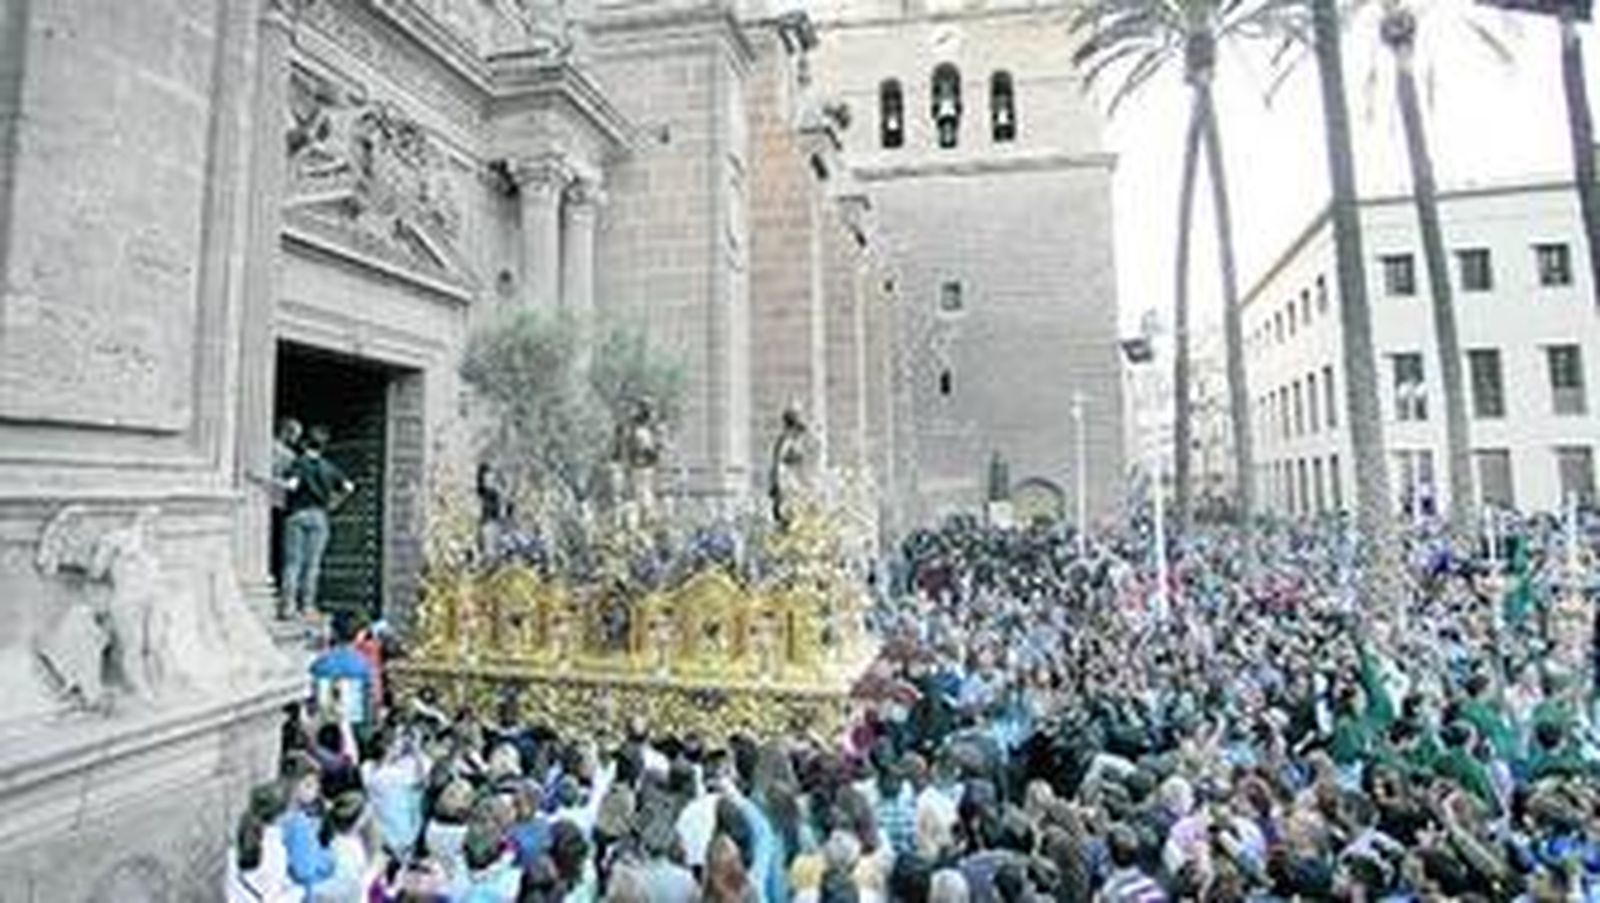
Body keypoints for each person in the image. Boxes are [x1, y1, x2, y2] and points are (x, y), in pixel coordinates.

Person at [280, 425, 354, 621]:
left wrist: (271, 482)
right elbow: (349, 486)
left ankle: (288, 607)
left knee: (293, 563)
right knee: (313, 565)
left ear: (305, 443)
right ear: (324, 446)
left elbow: (291, 485)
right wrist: (335, 504)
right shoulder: (329, 467)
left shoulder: (299, 463)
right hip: (320, 517)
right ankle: (308, 607)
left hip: (297, 515)